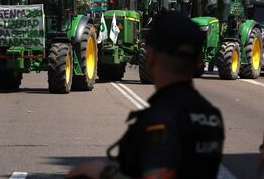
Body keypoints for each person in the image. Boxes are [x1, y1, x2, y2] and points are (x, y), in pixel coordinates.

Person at [68, 11, 224, 179]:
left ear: (151, 58)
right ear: (197, 60)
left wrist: (103, 172)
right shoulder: (212, 116)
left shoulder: (159, 120)